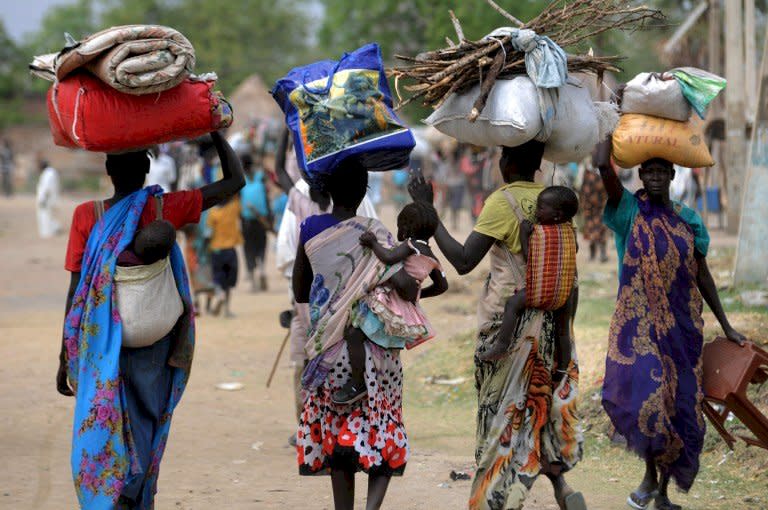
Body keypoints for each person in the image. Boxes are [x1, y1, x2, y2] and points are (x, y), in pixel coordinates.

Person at [57, 131, 244, 509]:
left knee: (105, 416)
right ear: (147, 168)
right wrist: (214, 134)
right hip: (155, 338)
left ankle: (111, 493)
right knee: (146, 418)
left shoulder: (87, 216)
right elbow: (234, 182)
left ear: (108, 170)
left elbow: (78, 291)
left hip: (100, 341)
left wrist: (66, 353)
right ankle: (136, 493)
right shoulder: (165, 208)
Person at [409, 140, 585, 510]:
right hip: (553, 325)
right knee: (541, 404)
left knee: (501, 414)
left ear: (505, 162)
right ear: (538, 164)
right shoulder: (556, 202)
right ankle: (562, 489)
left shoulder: (502, 203)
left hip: (510, 327)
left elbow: (462, 260)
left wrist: (430, 212)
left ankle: (496, 498)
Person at [595, 140, 746, 510]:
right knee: (648, 400)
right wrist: (607, 119)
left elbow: (703, 274)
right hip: (638, 325)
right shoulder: (629, 209)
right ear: (641, 175)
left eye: (664, 171)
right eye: (651, 172)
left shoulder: (688, 219)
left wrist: (725, 325)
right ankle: (648, 474)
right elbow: (602, 166)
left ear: (673, 175)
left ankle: (661, 493)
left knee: (679, 404)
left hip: (682, 327)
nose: (657, 177)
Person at [293, 159, 419, 510]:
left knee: (336, 436)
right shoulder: (375, 232)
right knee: (384, 426)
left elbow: (302, 292)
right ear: (366, 191)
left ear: (326, 191)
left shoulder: (310, 229)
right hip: (376, 352)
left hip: (329, 349)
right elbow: (406, 288)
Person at [274, 128, 377, 445]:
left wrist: (299, 305)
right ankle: (347, 425)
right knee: (350, 361)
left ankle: (310, 426)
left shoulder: (304, 209)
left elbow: (290, 263)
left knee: (307, 363)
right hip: (351, 305)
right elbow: (379, 259)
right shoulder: (366, 216)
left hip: (312, 307)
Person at [333, 201, 449, 404]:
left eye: (400, 225)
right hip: (405, 308)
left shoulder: (410, 246)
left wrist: (372, 243)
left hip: (389, 302)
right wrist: (417, 297)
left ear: (407, 227)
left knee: (353, 334)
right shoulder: (432, 257)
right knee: (384, 346)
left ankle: (357, 383)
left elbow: (388, 258)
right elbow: (442, 286)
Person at [480, 186, 578, 377]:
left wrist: (525, 234)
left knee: (512, 305)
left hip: (541, 290)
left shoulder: (541, 234)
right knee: (563, 331)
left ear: (557, 215)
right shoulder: (569, 232)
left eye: (541, 208)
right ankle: (563, 366)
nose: (536, 211)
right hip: (565, 293)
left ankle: (501, 345)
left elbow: (530, 259)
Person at [206, 191, 243, 317]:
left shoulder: (213, 213)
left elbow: (209, 233)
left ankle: (219, 293)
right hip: (230, 250)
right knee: (229, 281)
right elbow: (237, 192)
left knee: (218, 278)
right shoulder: (233, 207)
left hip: (216, 249)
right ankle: (227, 310)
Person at [240, 153, 272, 292]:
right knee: (259, 245)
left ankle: (255, 278)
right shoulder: (259, 177)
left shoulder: (243, 179)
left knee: (250, 248)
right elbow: (267, 196)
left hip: (251, 219)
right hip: (257, 219)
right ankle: (260, 272)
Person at [579, 155, 609, 262]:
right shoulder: (587, 173)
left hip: (600, 208)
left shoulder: (602, 173)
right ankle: (594, 254)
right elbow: (583, 190)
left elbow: (605, 191)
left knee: (600, 231)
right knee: (592, 232)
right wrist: (583, 205)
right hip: (589, 209)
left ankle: (602, 254)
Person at [36, 159, 62, 238]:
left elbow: (46, 187)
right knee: (50, 215)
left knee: (45, 215)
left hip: (47, 199)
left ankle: (47, 232)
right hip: (51, 198)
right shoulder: (51, 172)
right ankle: (54, 229)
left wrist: (43, 198)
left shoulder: (48, 173)